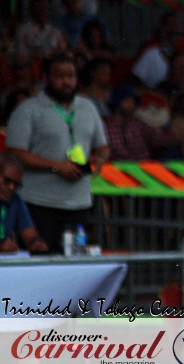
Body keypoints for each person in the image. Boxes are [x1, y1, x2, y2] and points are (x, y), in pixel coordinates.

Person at [5, 52, 109, 253]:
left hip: (79, 202)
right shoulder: (28, 110)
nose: (66, 82)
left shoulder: (88, 107)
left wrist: (99, 158)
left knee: (75, 265)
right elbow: (16, 154)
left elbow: (102, 146)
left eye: (70, 76)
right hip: (39, 202)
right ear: (46, 78)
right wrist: (57, 167)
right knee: (41, 263)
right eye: (59, 76)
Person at [0, 153, 48, 254]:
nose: (11, 187)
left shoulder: (16, 201)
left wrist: (36, 243)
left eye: (16, 184)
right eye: (7, 181)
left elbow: (30, 235)